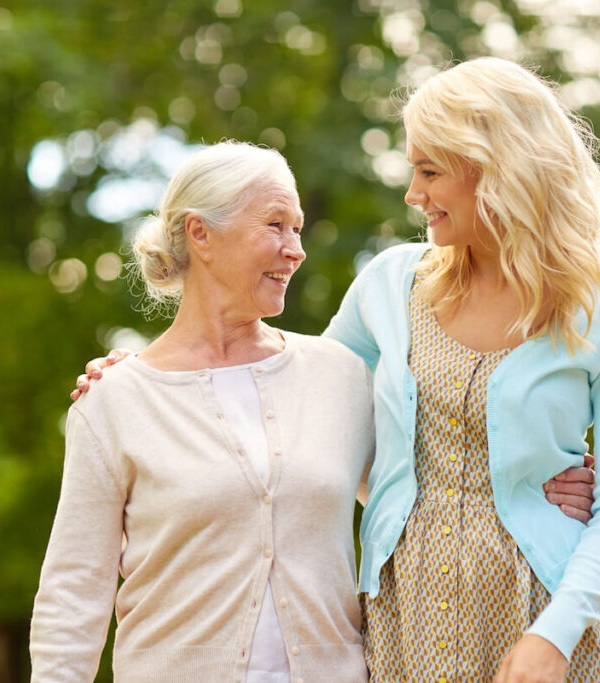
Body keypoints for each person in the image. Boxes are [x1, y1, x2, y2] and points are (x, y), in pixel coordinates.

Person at [78, 58, 600, 683]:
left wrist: (554, 636)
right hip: (406, 623)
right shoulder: (391, 284)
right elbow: (292, 415)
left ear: (496, 169)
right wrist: (149, 372)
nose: (414, 195)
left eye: (429, 171)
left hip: (546, 625)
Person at [30, 141, 376, 681]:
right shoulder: (116, 401)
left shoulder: (340, 376)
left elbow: (418, 504)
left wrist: (542, 479)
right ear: (201, 233)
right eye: (276, 224)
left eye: (298, 228)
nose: (296, 249)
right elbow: (73, 595)